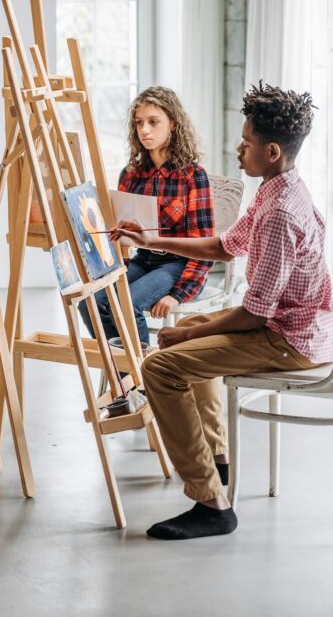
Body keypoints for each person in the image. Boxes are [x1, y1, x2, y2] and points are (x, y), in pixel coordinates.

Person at [112, 83, 333, 540]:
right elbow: (225, 247)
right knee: (192, 325)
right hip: (292, 327)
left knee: (161, 366)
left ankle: (210, 502)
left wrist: (186, 338)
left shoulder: (279, 213)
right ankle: (217, 459)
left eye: (246, 141)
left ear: (271, 151)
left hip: (289, 341)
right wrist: (149, 240)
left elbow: (253, 314)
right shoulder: (277, 188)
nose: (238, 147)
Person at [78, 86, 215, 347]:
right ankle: (121, 376)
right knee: (90, 301)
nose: (145, 130)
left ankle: (141, 379)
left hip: (177, 264)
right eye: (139, 123)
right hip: (142, 259)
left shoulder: (192, 176)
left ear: (173, 124)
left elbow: (204, 247)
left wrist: (178, 294)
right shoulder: (130, 174)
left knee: (126, 304)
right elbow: (121, 237)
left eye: (153, 122)